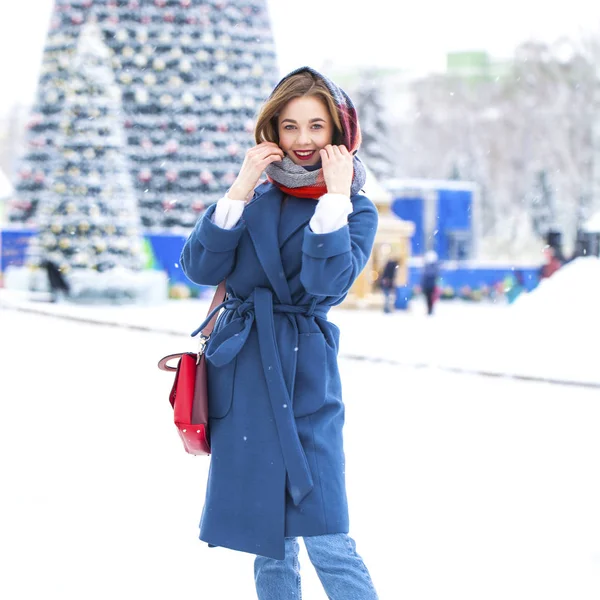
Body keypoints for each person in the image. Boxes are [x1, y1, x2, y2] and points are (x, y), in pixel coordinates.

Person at [180, 66, 379, 599]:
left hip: (305, 372)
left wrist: (333, 199)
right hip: (243, 372)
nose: (304, 141)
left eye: (317, 126)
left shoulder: (355, 209)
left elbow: (326, 284)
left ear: (339, 132)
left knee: (327, 533)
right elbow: (198, 267)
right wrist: (241, 187)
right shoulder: (254, 197)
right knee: (268, 540)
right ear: (272, 131)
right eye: (290, 127)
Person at [421, 250, 439, 315]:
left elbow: (425, 276)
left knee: (430, 298)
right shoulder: (430, 267)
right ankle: (429, 309)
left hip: (430, 285)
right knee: (429, 298)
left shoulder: (431, 267)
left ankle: (430, 309)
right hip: (428, 285)